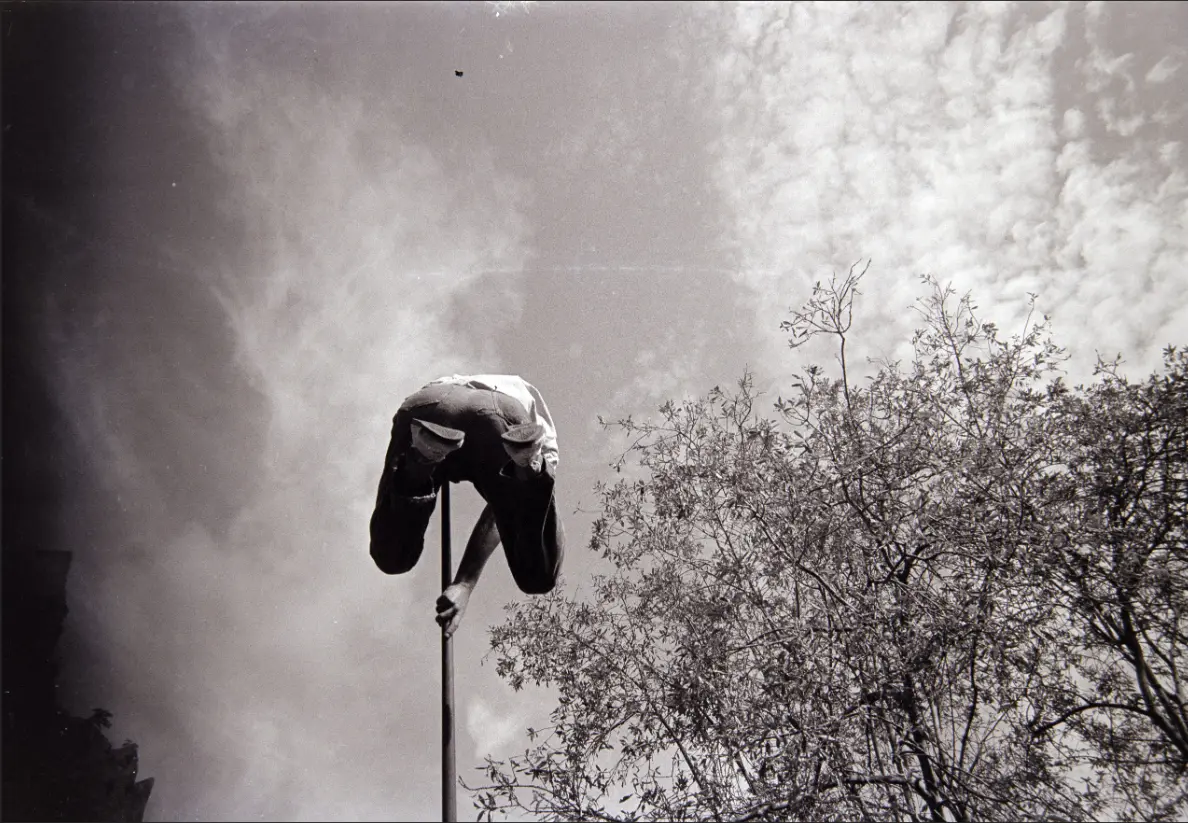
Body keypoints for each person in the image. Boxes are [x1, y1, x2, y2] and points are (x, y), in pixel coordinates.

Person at [369, 374, 565, 638]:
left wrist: (463, 583)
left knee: (391, 556)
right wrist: (464, 583)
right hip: (503, 413)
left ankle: (422, 458)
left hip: (428, 404)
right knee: (538, 575)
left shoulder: (444, 386)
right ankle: (529, 467)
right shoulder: (538, 424)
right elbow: (505, 513)